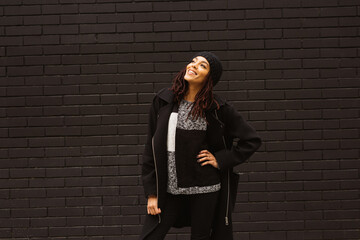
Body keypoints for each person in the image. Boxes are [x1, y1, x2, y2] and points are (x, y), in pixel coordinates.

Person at [140, 52, 262, 240]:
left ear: (209, 78)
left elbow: (251, 140)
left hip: (205, 189)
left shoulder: (217, 108)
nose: (193, 66)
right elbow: (151, 148)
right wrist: (151, 193)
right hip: (169, 190)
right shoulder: (164, 101)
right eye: (193, 61)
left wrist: (220, 159)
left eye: (202, 66)